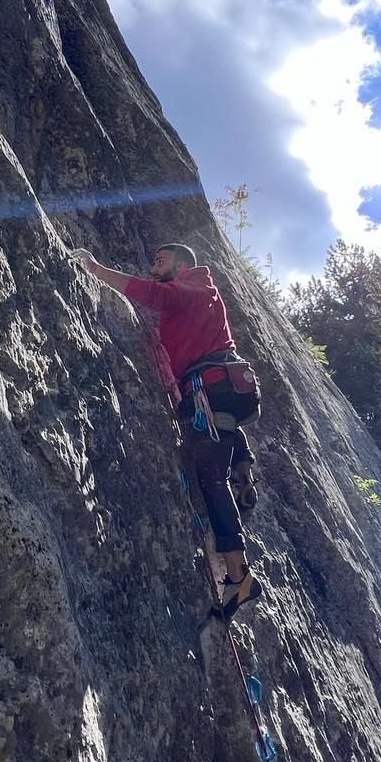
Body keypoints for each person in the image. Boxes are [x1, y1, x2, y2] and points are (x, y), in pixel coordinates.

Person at [72, 241, 263, 619]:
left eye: (160, 262)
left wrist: (95, 269)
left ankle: (239, 575)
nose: (153, 267)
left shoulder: (196, 282)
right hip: (223, 385)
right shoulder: (198, 296)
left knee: (211, 479)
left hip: (212, 386)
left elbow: (154, 294)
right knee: (223, 437)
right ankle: (244, 470)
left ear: (181, 264)